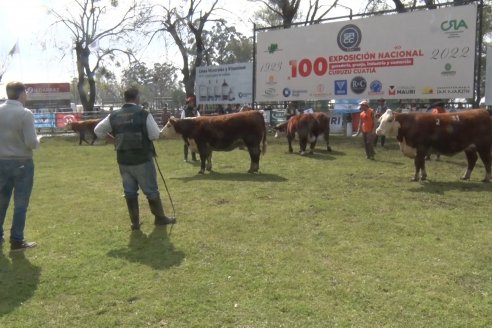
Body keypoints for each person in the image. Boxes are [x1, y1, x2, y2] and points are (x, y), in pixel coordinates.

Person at [94, 86, 176, 231]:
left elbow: (98, 130)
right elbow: (154, 135)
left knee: (130, 192)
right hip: (142, 158)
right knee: (151, 190)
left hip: (123, 160)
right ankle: (160, 218)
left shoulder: (114, 115)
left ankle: (135, 223)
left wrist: (115, 141)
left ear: (125, 98)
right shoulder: (143, 113)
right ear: (137, 98)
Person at [0, 81, 40, 251]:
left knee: (2, 202)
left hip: (1, 161)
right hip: (22, 162)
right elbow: (31, 142)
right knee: (20, 203)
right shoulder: (25, 113)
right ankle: (17, 240)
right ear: (21, 93)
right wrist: (38, 141)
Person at [181, 95, 200, 161]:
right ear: (188, 103)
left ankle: (193, 158)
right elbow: (182, 120)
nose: (193, 103)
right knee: (186, 144)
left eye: (193, 102)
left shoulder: (196, 111)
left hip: (194, 130)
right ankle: (185, 158)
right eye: (191, 102)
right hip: (186, 130)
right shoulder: (184, 111)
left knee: (193, 144)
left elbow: (199, 119)